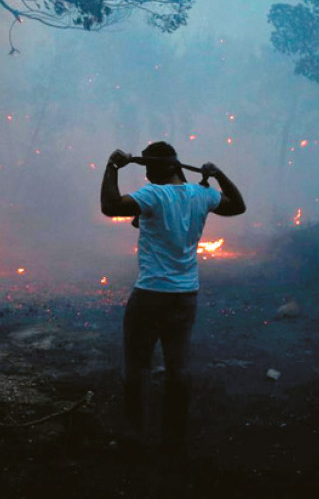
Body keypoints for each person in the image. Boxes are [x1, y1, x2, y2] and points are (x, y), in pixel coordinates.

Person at [100, 142, 245, 459]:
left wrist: (112, 167)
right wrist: (218, 174)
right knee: (178, 368)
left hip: (151, 294)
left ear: (164, 169)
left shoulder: (154, 195)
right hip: (185, 295)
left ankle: (135, 434)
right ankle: (173, 439)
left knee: (137, 366)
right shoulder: (202, 194)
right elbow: (237, 205)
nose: (148, 177)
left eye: (150, 170)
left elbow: (110, 206)